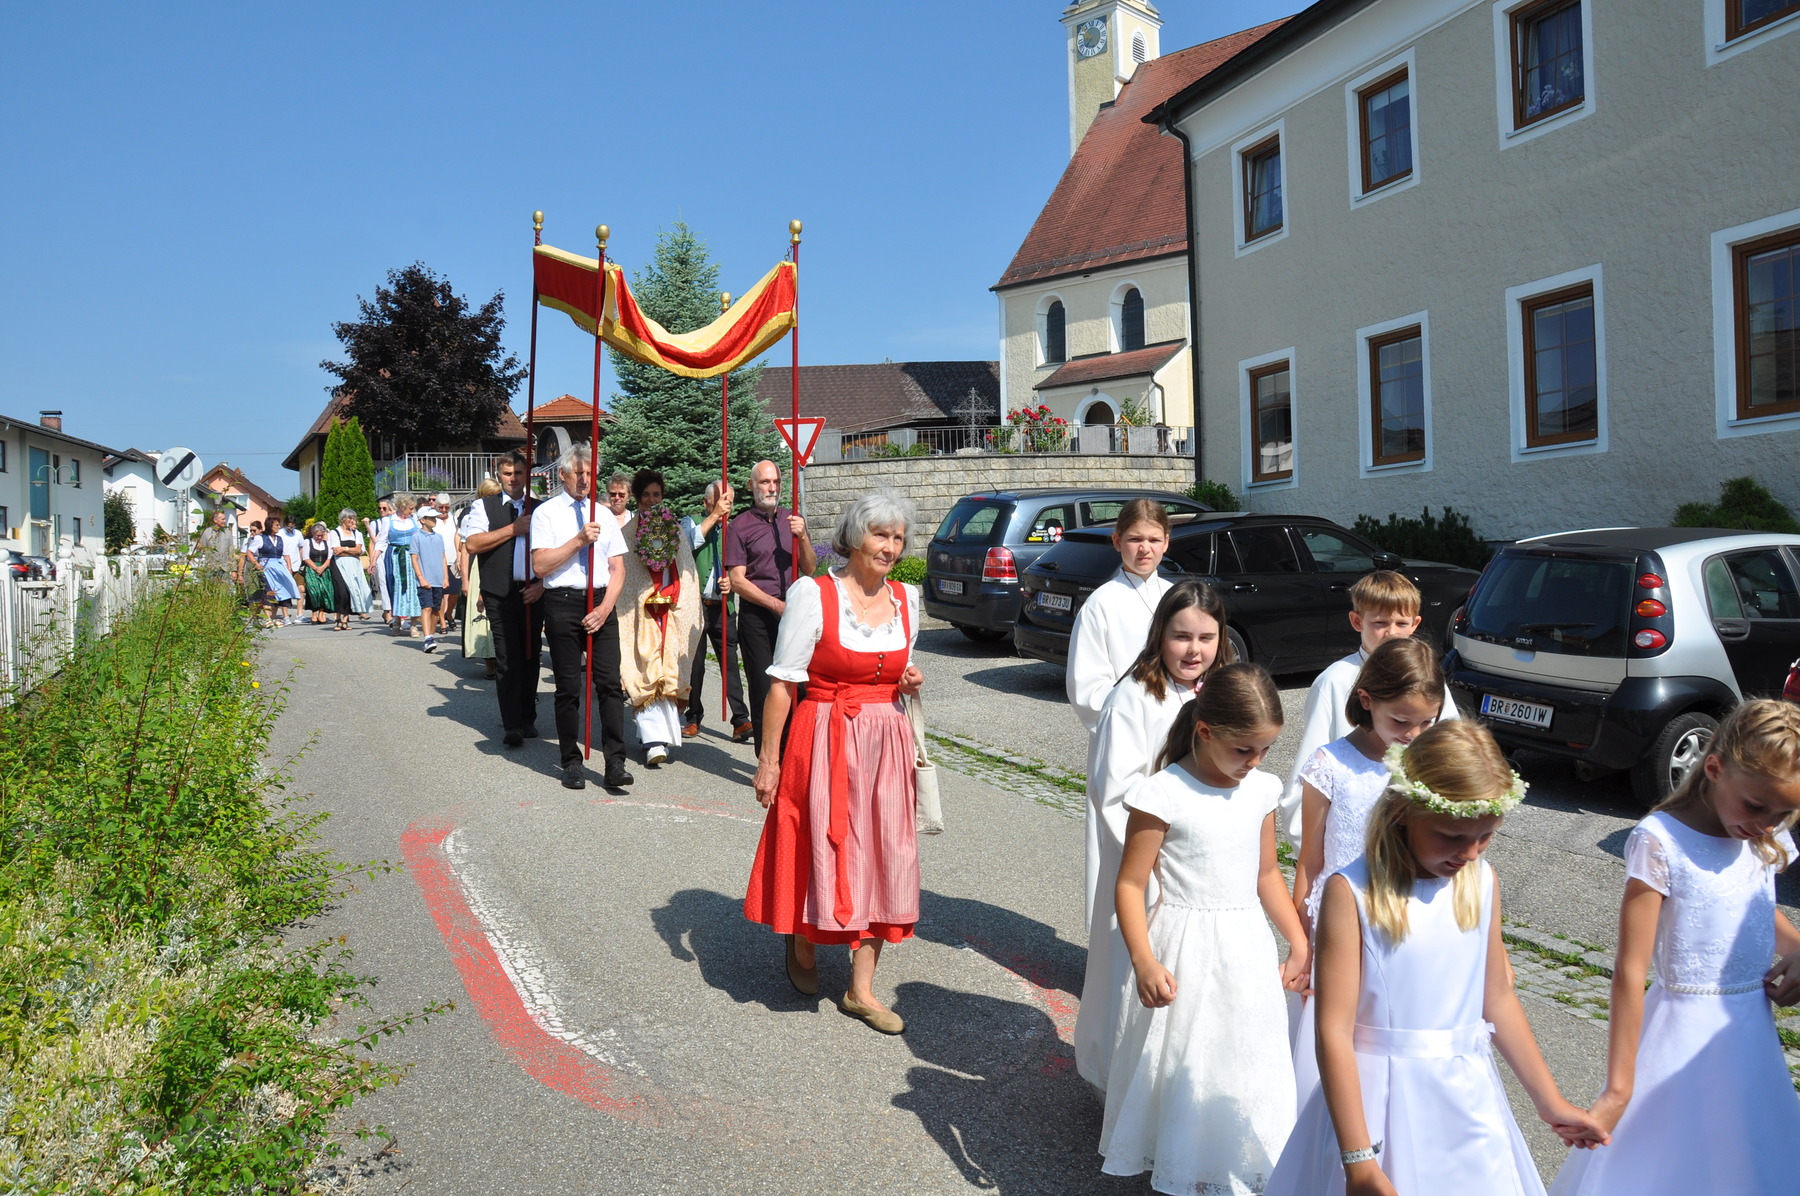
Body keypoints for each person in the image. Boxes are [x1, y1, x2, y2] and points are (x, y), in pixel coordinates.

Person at [1264, 721, 1605, 1196]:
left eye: (1486, 836)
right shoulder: (1353, 892)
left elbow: (1497, 998)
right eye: (1451, 836)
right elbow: (1334, 1030)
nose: (1470, 853)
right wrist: (1359, 1161)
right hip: (1377, 1105)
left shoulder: (1481, 882)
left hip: (1466, 1101)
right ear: (1403, 810)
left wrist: (1550, 1103)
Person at [1550, 699, 1800, 1196]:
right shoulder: (1661, 840)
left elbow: (1750, 903)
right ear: (1715, 768)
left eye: (1783, 813)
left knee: (1746, 1162)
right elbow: (1629, 971)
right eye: (1757, 806)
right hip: (1680, 1032)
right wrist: (1618, 1089)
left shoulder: (1758, 835)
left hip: (1750, 1037)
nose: (1767, 825)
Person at [1099, 663, 1307, 1194]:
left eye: (1266, 749)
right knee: (1186, 1057)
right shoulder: (1163, 793)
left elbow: (1266, 874)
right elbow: (1130, 884)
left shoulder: (1262, 790)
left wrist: (1298, 940)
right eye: (1244, 750)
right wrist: (1144, 960)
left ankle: (1236, 1163)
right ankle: (1182, 1161)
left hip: (1245, 946)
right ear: (1206, 730)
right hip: (1184, 949)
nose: (1255, 761)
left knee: (1245, 1056)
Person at [744, 491, 925, 1035]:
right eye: (880, 535)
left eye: (897, 538)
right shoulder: (813, 594)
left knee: (885, 852)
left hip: (886, 742)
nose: (890, 547)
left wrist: (908, 681)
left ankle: (860, 990)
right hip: (823, 734)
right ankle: (805, 934)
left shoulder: (907, 599)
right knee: (821, 841)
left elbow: (899, 670)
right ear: (852, 538)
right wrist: (769, 760)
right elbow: (783, 683)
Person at [1075, 579, 1231, 1092]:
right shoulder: (1134, 697)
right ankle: (1124, 1083)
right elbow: (1114, 792)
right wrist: (1160, 851)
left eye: (1206, 638)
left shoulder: (1220, 692)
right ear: (1160, 634)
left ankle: (1180, 1085)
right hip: (1149, 862)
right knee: (1136, 969)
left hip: (1203, 860)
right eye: (1181, 636)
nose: (1194, 650)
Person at [1288, 637, 1447, 1107]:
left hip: (1405, 925)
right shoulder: (1331, 765)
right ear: (1367, 700)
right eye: (1400, 721)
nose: (1413, 734)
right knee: (1336, 1040)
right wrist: (1303, 943)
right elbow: (1310, 861)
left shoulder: (1427, 765)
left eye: (1427, 723)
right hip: (1341, 929)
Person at [1280, 570, 1460, 839]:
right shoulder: (1335, 681)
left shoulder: (1427, 678)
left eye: (1401, 623)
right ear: (1357, 621)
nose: (1392, 633)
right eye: (1380, 623)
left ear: (1415, 624)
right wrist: (1311, 845)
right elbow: (1307, 775)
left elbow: (1452, 750)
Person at [531, 445, 631, 790]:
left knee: (610, 684)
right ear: (562, 475)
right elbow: (540, 565)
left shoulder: (603, 514)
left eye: (590, 473)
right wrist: (577, 540)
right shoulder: (546, 513)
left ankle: (615, 762)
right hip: (563, 601)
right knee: (568, 687)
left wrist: (604, 609)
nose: (585, 480)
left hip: (601, 601)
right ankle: (571, 761)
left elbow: (618, 569)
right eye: (578, 473)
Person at [725, 459, 817, 755]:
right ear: (752, 486)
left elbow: (809, 568)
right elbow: (737, 580)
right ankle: (768, 759)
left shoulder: (792, 520)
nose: (772, 488)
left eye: (776, 481)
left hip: (794, 615)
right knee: (764, 688)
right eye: (765, 482)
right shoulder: (739, 526)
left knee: (799, 685)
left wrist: (803, 537)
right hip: (758, 616)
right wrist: (775, 604)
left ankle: (795, 755)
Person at [616, 470, 702, 767]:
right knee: (645, 667)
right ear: (637, 497)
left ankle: (657, 737)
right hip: (641, 614)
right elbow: (626, 577)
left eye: (656, 494)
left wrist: (674, 594)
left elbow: (685, 569)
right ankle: (653, 740)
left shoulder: (673, 528)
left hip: (670, 611)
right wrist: (644, 597)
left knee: (669, 668)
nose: (651, 500)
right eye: (646, 495)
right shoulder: (627, 534)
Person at [1066, 500, 1175, 734]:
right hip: (1127, 730)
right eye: (1135, 539)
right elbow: (1087, 687)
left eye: (1154, 540)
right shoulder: (1100, 604)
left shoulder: (1176, 598)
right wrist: (1139, 713)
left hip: (1176, 728)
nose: (1145, 548)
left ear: (1166, 542)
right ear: (1117, 541)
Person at [462, 452, 545, 745]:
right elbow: (473, 544)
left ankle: (527, 716)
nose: (513, 479)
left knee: (531, 653)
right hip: (499, 592)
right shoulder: (484, 506)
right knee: (508, 656)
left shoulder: (541, 508)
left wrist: (542, 585)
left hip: (533, 591)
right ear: (499, 475)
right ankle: (512, 723)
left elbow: (555, 551)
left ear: (526, 475)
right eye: (508, 473)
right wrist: (513, 529)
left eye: (519, 473)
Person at [681, 480, 751, 742]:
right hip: (696, 605)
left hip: (724, 606)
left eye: (729, 500)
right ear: (707, 501)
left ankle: (740, 720)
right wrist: (714, 518)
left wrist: (733, 581)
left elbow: (746, 566)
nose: (726, 505)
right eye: (721, 499)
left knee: (730, 663)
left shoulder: (736, 529)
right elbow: (687, 543)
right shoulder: (692, 520)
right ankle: (693, 717)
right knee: (696, 665)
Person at [460, 478, 502, 678]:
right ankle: (489, 664)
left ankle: (501, 660)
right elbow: (464, 550)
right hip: (480, 565)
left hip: (500, 562)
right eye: (490, 495)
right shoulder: (472, 516)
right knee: (482, 616)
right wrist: (465, 581)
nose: (494, 499)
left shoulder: (504, 510)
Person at [242, 522, 299, 627]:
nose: (279, 527)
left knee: (277, 591)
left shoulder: (280, 539)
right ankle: (266, 618)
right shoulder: (260, 538)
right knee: (267, 591)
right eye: (276, 525)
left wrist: (289, 568)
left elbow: (286, 555)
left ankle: (273, 617)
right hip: (265, 567)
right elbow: (249, 553)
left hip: (278, 567)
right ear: (270, 526)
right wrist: (256, 564)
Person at [383, 495, 422, 637]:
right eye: (410, 508)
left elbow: (420, 537)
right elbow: (381, 541)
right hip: (396, 557)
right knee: (398, 589)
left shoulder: (414, 520)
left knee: (413, 589)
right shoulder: (389, 521)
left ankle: (413, 625)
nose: (412, 511)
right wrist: (374, 560)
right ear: (402, 507)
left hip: (412, 557)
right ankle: (397, 621)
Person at [412, 509, 450, 653]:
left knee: (435, 609)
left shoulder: (439, 537)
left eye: (435, 518)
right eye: (431, 518)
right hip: (425, 579)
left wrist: (445, 577)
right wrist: (420, 577)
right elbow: (414, 558)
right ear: (422, 520)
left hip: (438, 579)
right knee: (426, 607)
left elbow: (443, 557)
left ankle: (431, 636)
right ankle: (427, 637)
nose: (434, 520)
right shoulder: (416, 537)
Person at [327, 509, 372, 630]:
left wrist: (344, 548)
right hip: (339, 564)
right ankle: (337, 619)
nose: (352, 521)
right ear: (343, 519)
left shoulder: (357, 533)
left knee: (350, 591)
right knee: (341, 591)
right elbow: (336, 551)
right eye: (350, 518)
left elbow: (359, 550)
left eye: (353, 518)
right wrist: (351, 551)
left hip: (353, 565)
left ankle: (345, 620)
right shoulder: (335, 532)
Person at [300, 522, 336, 624]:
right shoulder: (307, 542)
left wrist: (323, 567)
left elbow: (329, 557)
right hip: (312, 568)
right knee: (314, 591)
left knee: (324, 591)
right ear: (313, 534)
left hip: (324, 568)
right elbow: (306, 557)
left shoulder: (327, 543)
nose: (319, 538)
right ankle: (314, 612)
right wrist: (316, 568)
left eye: (321, 535)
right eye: (317, 536)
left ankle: (321, 612)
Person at [370, 498, 395, 623]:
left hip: (393, 552)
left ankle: (395, 611)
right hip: (380, 554)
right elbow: (371, 543)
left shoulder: (395, 521)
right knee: (383, 582)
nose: (381, 510)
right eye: (379, 508)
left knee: (394, 582)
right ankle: (387, 611)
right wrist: (372, 560)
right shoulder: (375, 524)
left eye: (384, 508)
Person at [196, 508, 238, 579]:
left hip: (225, 568)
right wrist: (199, 567)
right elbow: (201, 551)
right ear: (215, 520)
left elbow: (231, 551)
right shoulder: (206, 532)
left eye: (225, 519)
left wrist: (234, 570)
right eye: (223, 519)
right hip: (210, 568)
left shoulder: (228, 533)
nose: (225, 521)